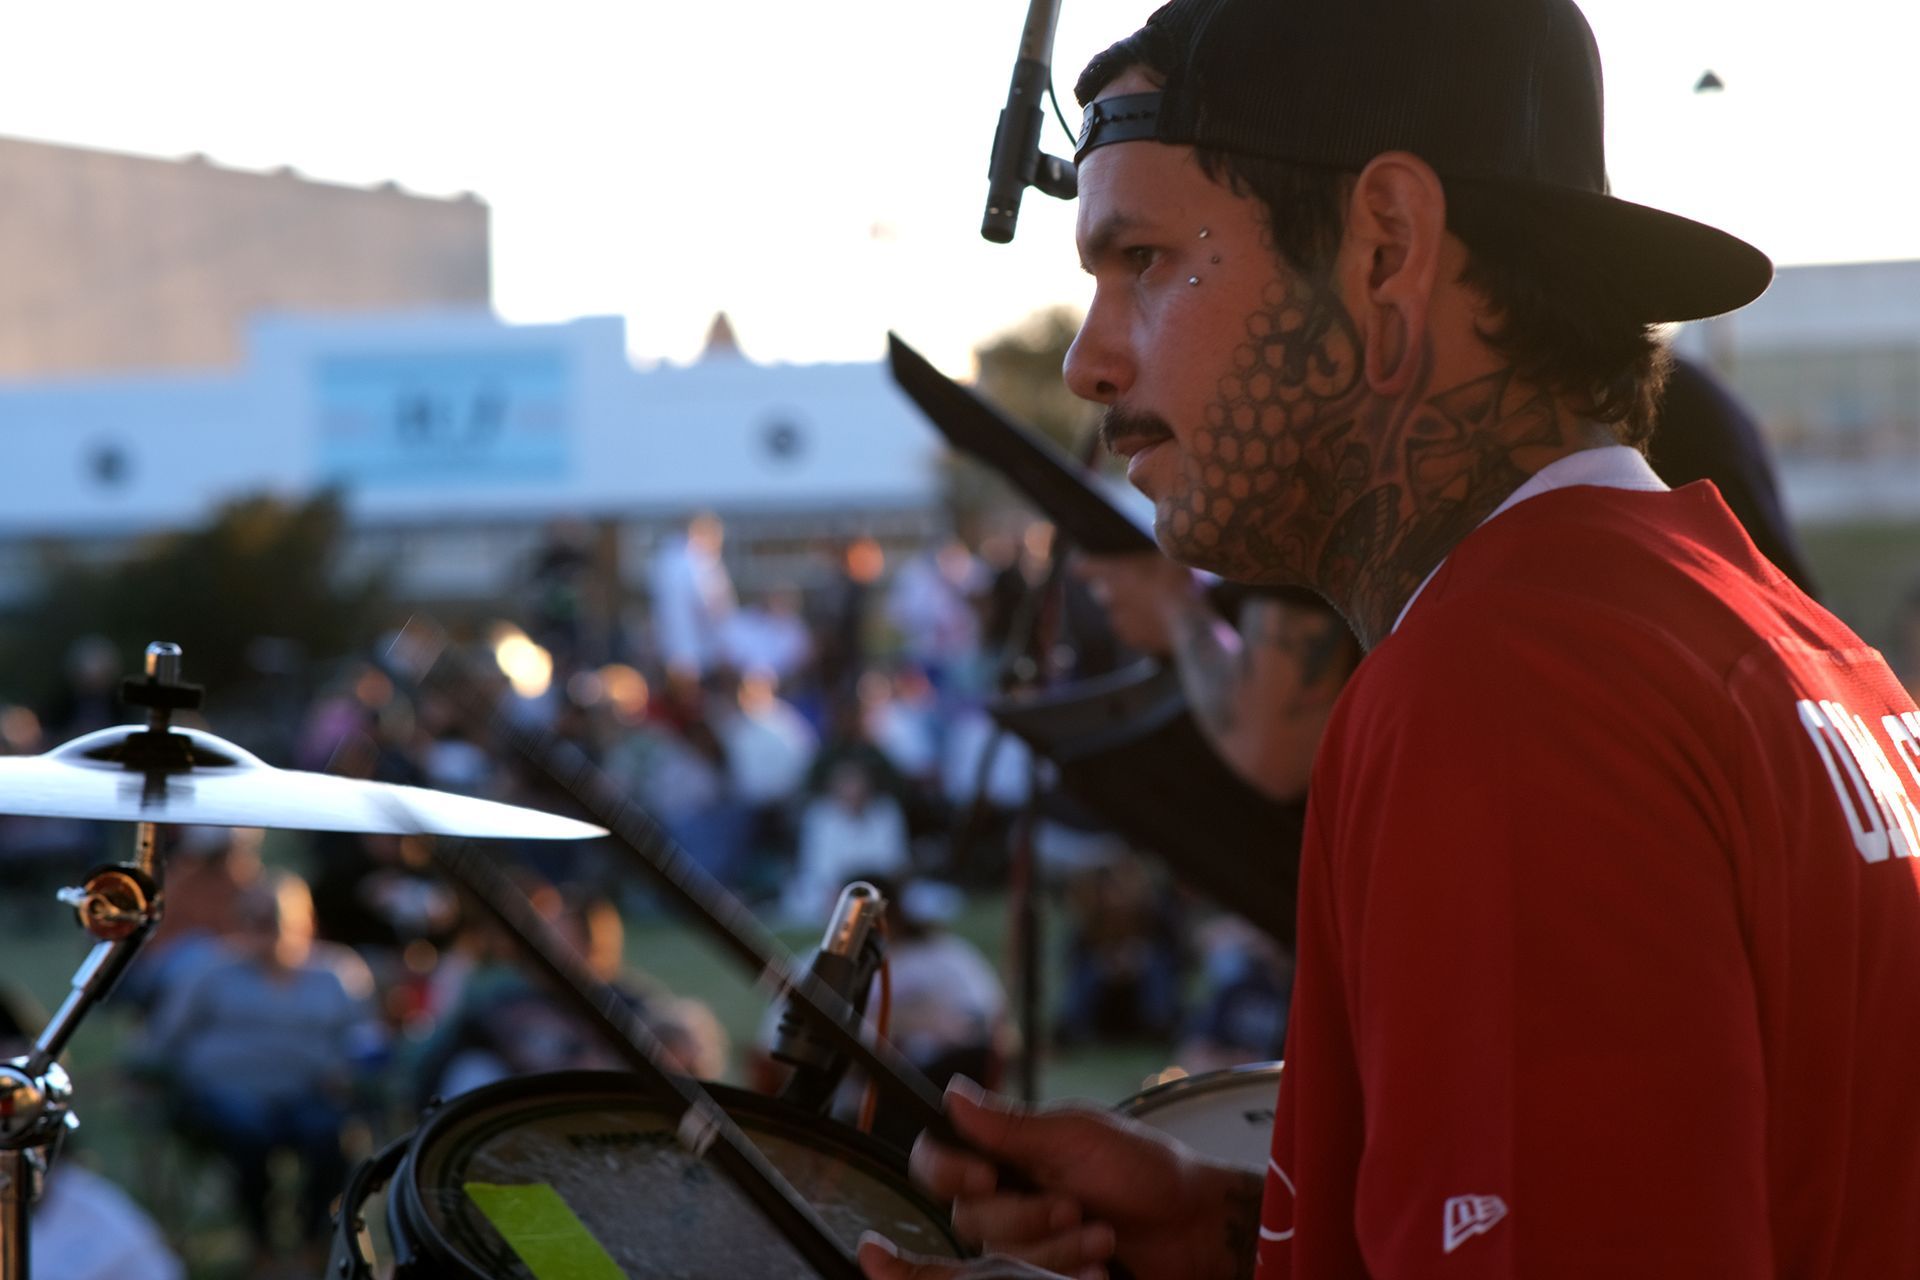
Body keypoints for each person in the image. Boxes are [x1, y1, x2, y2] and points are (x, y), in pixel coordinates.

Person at [858, 2, 1920, 1279]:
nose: (1089, 359)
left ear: (1385, 247)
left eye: (1140, 256)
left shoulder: (1510, 694)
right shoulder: (1781, 638)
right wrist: (1232, 1231)